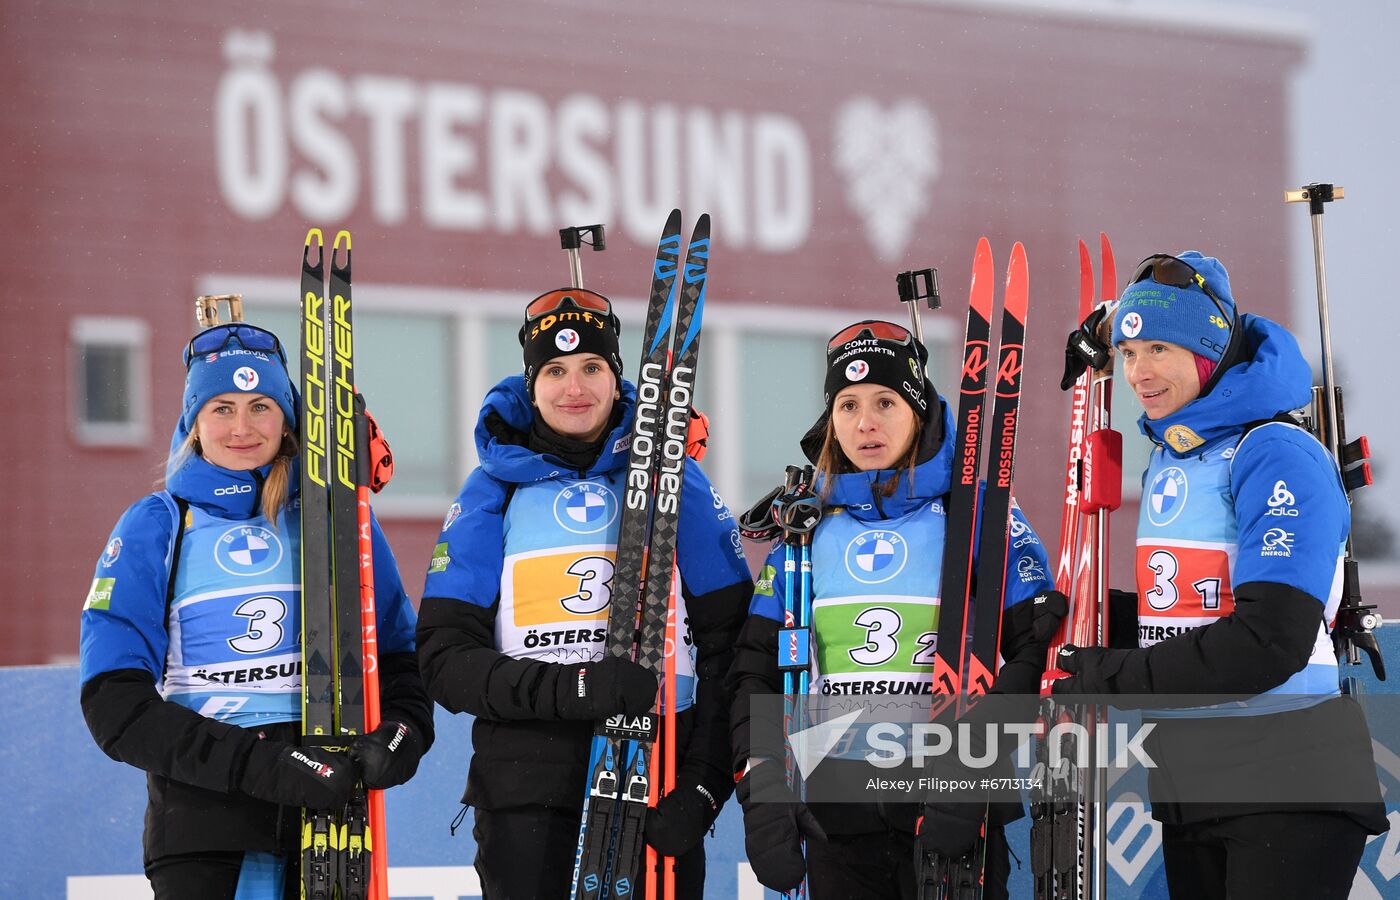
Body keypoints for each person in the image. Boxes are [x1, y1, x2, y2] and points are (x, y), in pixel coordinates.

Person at [1051, 251, 1389, 899]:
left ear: (1208, 351)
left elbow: (1269, 640)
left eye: (1159, 349)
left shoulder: (1273, 451)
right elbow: (1185, 613)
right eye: (1127, 354)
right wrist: (1077, 619)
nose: (1139, 372)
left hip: (1286, 783)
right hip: (1195, 779)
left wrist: (1112, 677)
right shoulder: (1181, 455)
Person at [415, 288, 753, 899]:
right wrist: (574, 688)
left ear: (617, 375)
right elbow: (445, 660)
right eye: (555, 371)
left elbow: (736, 647)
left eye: (592, 367)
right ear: (532, 382)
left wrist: (702, 789)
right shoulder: (493, 489)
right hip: (524, 791)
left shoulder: (675, 478)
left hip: (655, 780)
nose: (575, 387)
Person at [79, 323, 433, 900]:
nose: (241, 427)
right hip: (203, 823)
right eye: (222, 407)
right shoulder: (159, 523)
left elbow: (398, 662)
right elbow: (115, 706)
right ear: (194, 421)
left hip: (329, 816)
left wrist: (400, 737)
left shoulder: (341, 518)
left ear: (287, 417)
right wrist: (262, 764)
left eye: (260, 406)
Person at [726, 320, 1065, 900]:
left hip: (953, 812)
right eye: (848, 405)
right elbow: (756, 669)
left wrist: (975, 775)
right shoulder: (804, 530)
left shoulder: (977, 513)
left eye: (886, 402)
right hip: (838, 817)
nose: (866, 422)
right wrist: (763, 794)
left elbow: (1035, 655)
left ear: (919, 411)